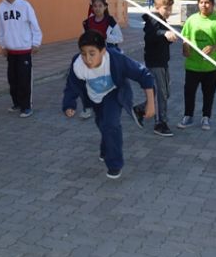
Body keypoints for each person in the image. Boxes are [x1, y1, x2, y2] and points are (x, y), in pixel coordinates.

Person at [62, 30, 155, 179]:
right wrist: (69, 104)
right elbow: (72, 86)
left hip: (113, 93)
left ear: (103, 51)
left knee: (111, 124)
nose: (87, 59)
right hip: (94, 97)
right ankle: (106, 148)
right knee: (102, 124)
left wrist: (150, 103)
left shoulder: (116, 59)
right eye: (83, 54)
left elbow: (143, 74)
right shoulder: (78, 64)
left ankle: (114, 164)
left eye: (92, 53)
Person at [0, 0, 43, 118]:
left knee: (24, 80)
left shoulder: (25, 6)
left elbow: (35, 26)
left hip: (24, 50)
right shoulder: (0, 8)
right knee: (13, 80)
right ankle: (16, 103)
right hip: (11, 51)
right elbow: (0, 29)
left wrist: (36, 43)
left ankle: (26, 106)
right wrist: (2, 45)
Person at [177, 0, 216, 131]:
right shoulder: (191, 19)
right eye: (201, 2)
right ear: (198, 4)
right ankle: (188, 116)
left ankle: (206, 117)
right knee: (189, 93)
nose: (204, 5)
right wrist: (185, 47)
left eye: (207, 2)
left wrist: (213, 47)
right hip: (192, 66)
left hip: (211, 67)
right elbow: (185, 36)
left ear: (212, 4)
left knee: (208, 94)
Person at [134, 0, 177, 136]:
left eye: (170, 8)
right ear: (157, 7)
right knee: (161, 94)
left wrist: (169, 38)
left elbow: (161, 41)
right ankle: (160, 123)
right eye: (166, 8)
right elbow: (151, 35)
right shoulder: (153, 20)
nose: (168, 11)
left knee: (165, 93)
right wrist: (164, 33)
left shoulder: (163, 21)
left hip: (163, 62)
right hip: (154, 63)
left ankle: (140, 109)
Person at [78, 0, 124, 119]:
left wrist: (106, 38)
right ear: (92, 8)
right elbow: (82, 40)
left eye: (100, 6)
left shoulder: (110, 21)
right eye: (95, 6)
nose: (97, 8)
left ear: (105, 7)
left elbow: (120, 38)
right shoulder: (87, 23)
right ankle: (87, 108)